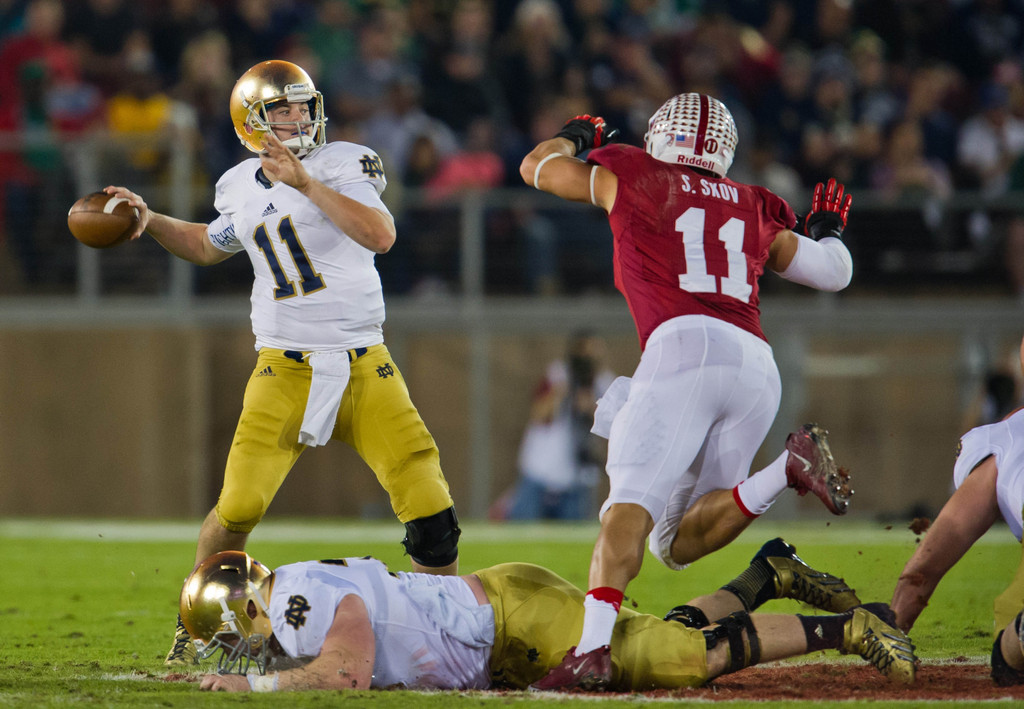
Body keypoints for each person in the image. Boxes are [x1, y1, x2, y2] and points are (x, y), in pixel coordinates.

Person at [104, 60, 462, 666]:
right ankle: (197, 627)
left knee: (430, 510)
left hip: (363, 364)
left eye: (304, 106)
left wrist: (304, 184)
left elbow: (379, 235)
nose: (299, 118)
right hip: (284, 367)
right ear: (251, 121)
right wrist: (153, 218)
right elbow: (210, 244)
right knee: (238, 506)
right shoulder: (238, 184)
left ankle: (449, 630)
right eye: (282, 109)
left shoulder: (346, 162)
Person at [518, 94, 856, 690]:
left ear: (658, 137)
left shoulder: (636, 174)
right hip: (755, 366)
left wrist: (574, 135)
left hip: (682, 349)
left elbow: (535, 168)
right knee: (673, 544)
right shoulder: (755, 204)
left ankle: (591, 651)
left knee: (628, 507)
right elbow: (834, 272)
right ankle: (785, 469)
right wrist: (825, 228)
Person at [180, 542, 916, 693]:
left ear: (247, 601)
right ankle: (768, 573)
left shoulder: (293, 600)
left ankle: (854, 629)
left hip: (515, 621)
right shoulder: (294, 585)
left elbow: (345, 672)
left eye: (230, 632)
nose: (240, 647)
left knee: (685, 661)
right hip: (505, 623)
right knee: (660, 638)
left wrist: (254, 687)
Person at [890, 335, 1024, 686]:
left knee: (1010, 659)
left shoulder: (1003, 442)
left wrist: (890, 633)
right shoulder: (1006, 441)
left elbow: (923, 570)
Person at [503, 332, 615, 520]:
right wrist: (561, 392)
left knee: (573, 539)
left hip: (578, 477)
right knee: (521, 532)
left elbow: (614, 429)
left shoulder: (605, 382)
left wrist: (592, 408)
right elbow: (538, 415)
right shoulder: (558, 374)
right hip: (540, 470)